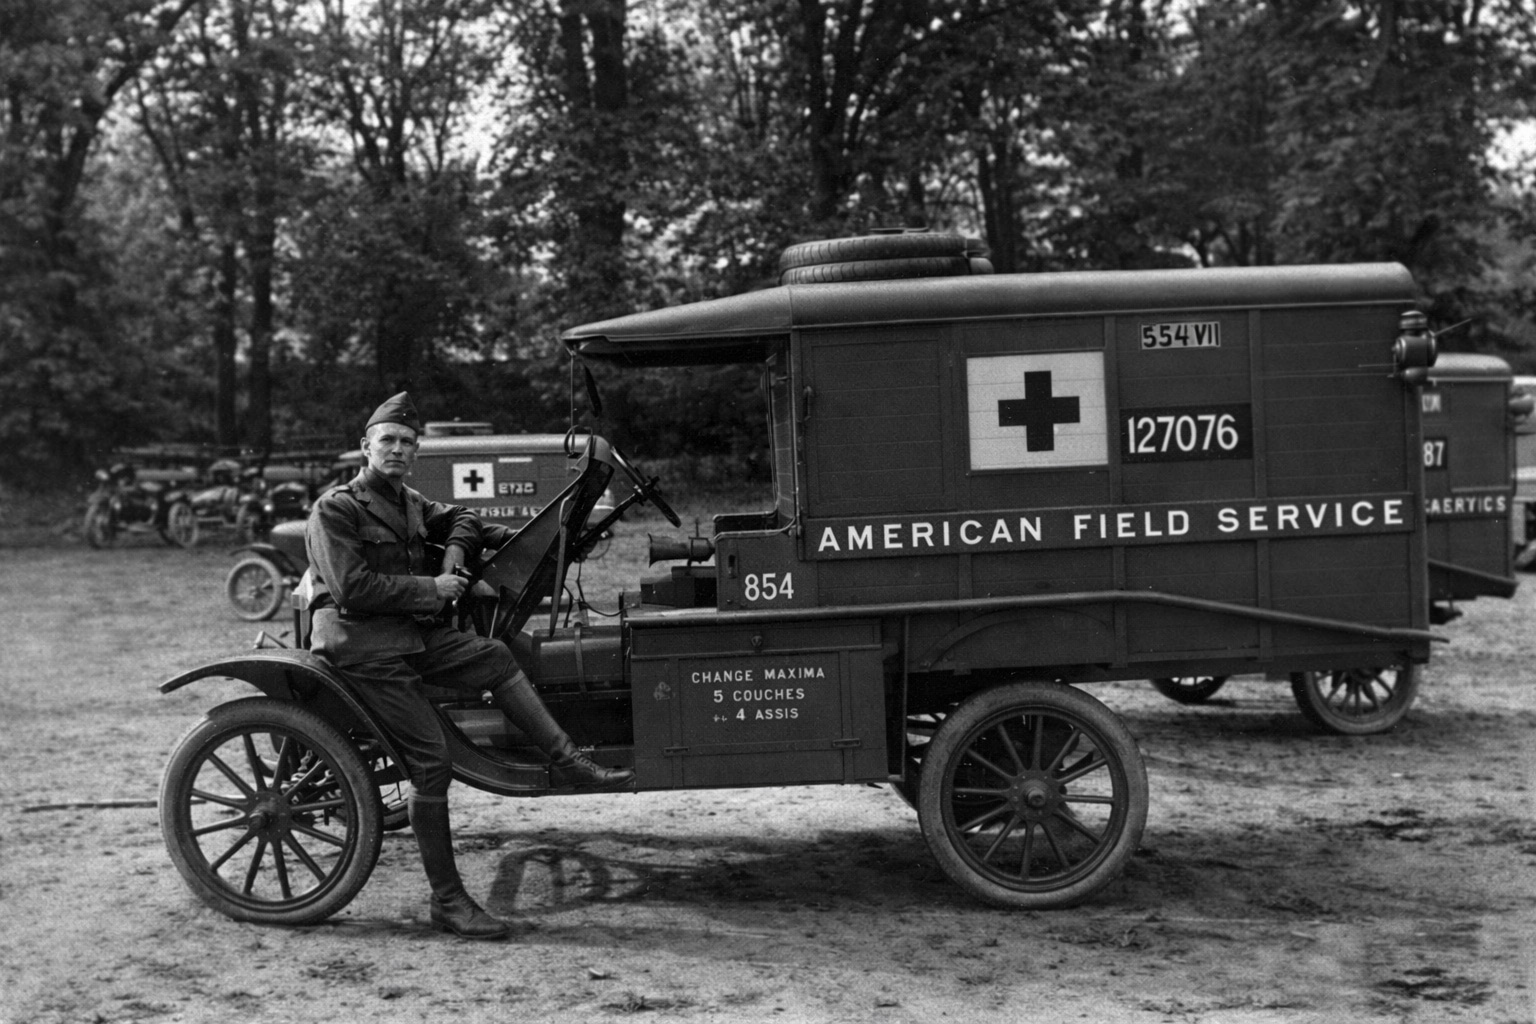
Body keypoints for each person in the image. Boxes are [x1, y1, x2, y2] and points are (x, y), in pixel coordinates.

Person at [305, 391, 633, 940]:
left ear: (416, 452)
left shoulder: (409, 501)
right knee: (431, 762)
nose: (398, 449)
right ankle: (449, 903)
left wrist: (462, 552)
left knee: (494, 655)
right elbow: (351, 588)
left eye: (408, 442)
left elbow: (463, 518)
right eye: (388, 440)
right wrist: (432, 587)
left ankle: (570, 761)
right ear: (366, 447)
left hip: (407, 636)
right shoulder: (335, 509)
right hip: (362, 647)